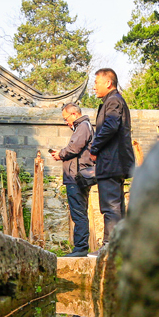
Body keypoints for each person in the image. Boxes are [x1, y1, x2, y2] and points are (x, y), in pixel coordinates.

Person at [89, 68, 136, 243]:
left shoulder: (114, 101)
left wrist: (94, 148)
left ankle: (111, 247)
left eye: (96, 82)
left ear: (108, 83)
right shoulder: (113, 101)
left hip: (112, 161)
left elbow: (110, 126)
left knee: (110, 206)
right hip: (113, 161)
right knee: (114, 206)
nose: (94, 87)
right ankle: (113, 245)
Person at [52, 103, 95, 256]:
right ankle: (80, 247)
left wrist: (60, 154)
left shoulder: (83, 126)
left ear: (74, 114)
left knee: (79, 214)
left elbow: (74, 148)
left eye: (66, 119)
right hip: (77, 175)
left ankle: (80, 248)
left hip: (77, 177)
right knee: (79, 213)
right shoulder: (82, 126)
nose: (66, 122)